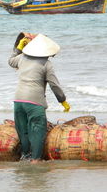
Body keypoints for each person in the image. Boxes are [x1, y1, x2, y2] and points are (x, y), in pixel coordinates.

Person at [8, 34, 70, 164]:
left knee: (23, 130)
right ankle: (35, 159)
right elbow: (54, 85)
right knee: (37, 130)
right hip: (35, 103)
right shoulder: (46, 64)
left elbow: (10, 61)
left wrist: (18, 48)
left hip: (18, 101)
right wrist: (62, 100)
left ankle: (25, 156)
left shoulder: (21, 58)